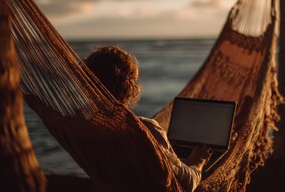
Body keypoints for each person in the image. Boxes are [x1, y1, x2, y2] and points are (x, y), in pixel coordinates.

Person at [84, 45, 212, 192]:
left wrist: (168, 152)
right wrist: (198, 162)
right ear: (130, 87)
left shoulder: (88, 128)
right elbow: (188, 183)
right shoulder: (144, 130)